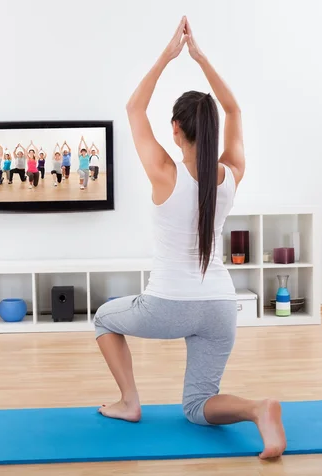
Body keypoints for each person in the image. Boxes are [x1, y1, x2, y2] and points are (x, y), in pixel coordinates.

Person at [92, 17, 286, 460]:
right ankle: (259, 409)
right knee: (198, 406)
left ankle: (129, 402)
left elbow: (133, 110)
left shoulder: (164, 172)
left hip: (167, 306)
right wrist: (201, 58)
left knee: (104, 318)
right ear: (212, 129)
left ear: (175, 129)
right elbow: (235, 110)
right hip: (221, 307)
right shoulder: (231, 176)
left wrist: (170, 54)